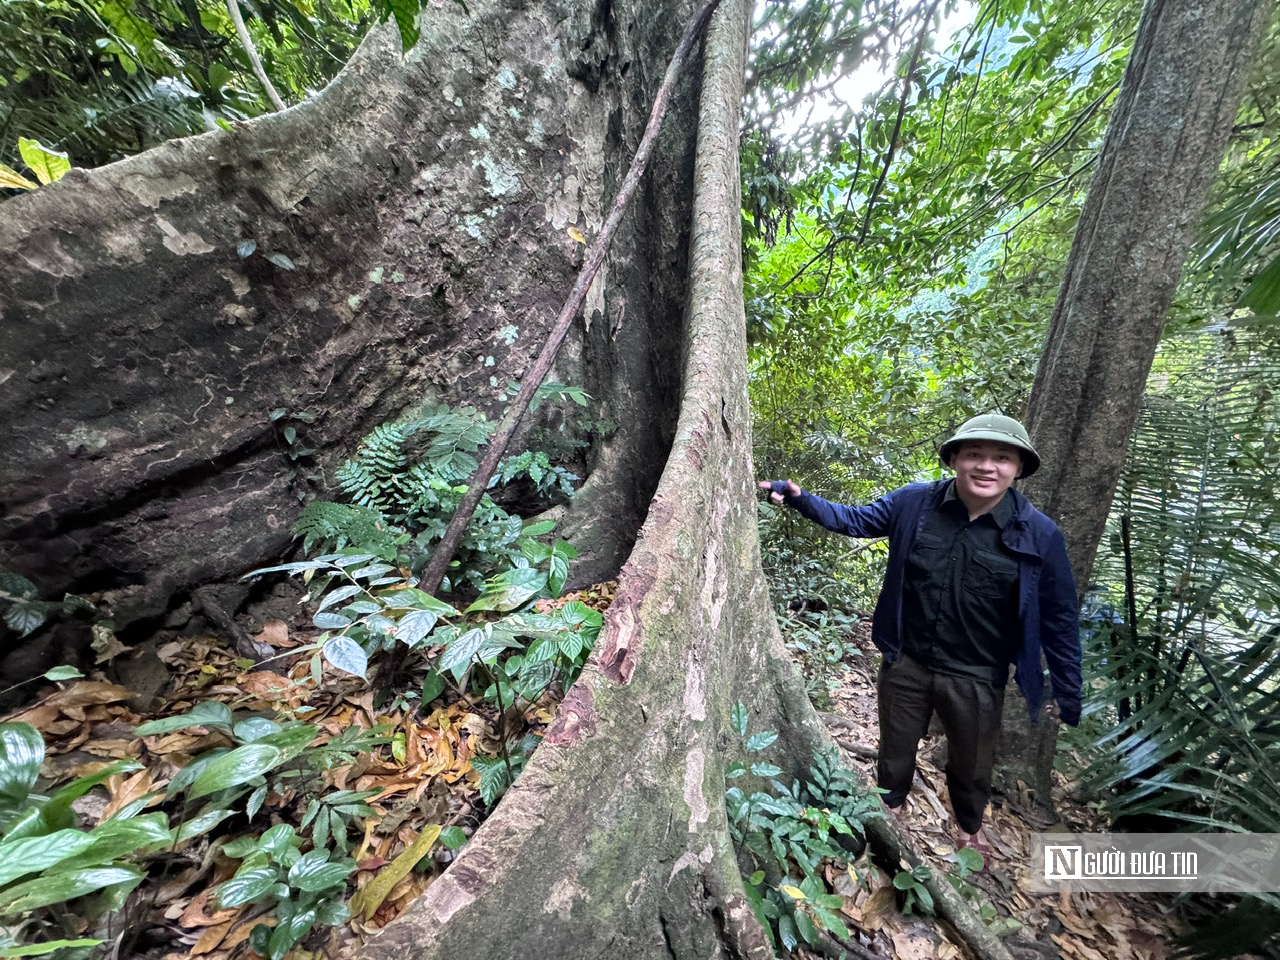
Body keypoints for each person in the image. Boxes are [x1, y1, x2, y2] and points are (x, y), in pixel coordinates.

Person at [758, 413, 1082, 854]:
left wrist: (1066, 690)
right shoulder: (914, 503)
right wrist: (801, 499)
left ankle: (969, 828)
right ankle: (888, 810)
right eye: (974, 454)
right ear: (954, 460)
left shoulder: (1039, 533)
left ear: (1018, 468)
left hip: (976, 674)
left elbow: (1059, 616)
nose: (986, 466)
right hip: (907, 661)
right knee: (895, 748)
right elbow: (854, 520)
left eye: (1002, 458)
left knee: (972, 763)